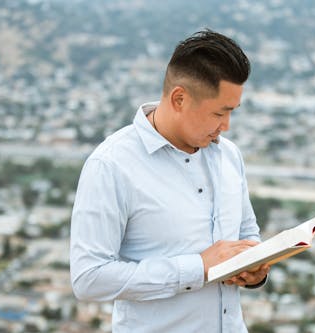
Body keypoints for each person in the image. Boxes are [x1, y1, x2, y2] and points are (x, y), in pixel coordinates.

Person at [70, 29, 269, 333]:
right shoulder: (111, 165)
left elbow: (246, 230)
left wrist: (255, 268)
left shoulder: (229, 156)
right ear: (179, 98)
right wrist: (197, 268)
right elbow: (89, 278)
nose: (226, 126)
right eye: (219, 113)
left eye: (232, 112)